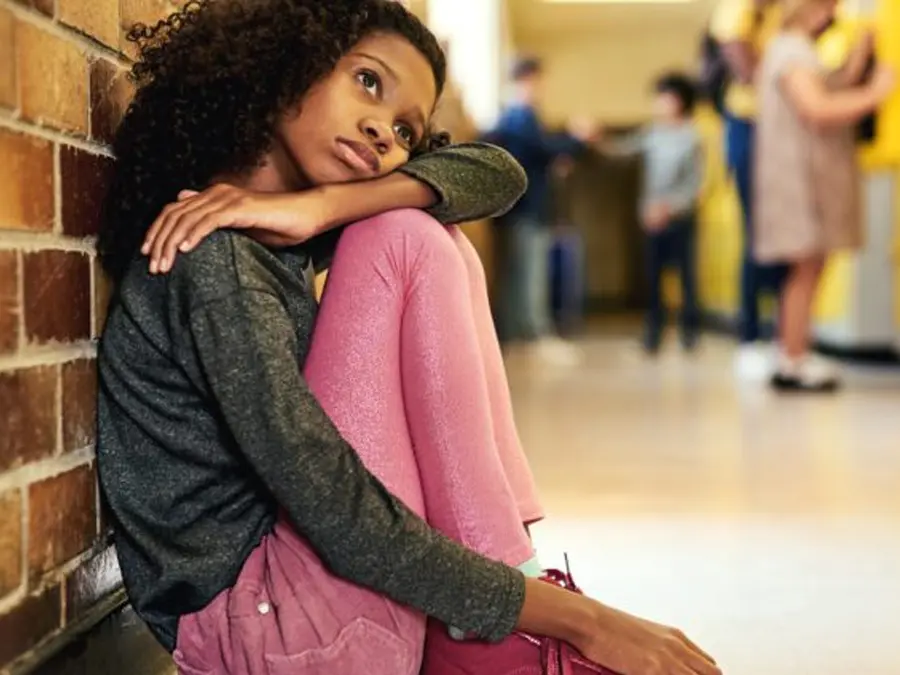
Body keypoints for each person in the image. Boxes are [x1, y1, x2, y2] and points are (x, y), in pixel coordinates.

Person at [97, 1, 721, 674]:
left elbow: (494, 173)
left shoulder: (283, 241)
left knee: (420, 225)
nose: (382, 131)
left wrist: (322, 206)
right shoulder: (215, 260)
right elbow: (342, 515)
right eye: (367, 81)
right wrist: (588, 622)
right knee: (401, 233)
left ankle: (502, 609)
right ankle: (506, 621)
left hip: (310, 606)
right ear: (287, 64)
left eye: (405, 129)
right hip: (273, 630)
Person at [754, 0, 895, 391]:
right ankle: (794, 357)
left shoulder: (794, 50)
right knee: (806, 267)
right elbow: (816, 108)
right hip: (800, 179)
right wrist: (878, 92)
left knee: (808, 268)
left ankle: (794, 351)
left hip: (804, 175)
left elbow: (829, 85)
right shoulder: (791, 50)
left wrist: (860, 57)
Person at [484, 56, 593, 363]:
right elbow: (543, 148)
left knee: (523, 275)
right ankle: (532, 334)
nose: (539, 87)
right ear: (524, 80)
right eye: (535, 81)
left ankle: (524, 333)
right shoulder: (519, 117)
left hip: (523, 209)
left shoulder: (516, 118)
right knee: (530, 276)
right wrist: (576, 139)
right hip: (526, 209)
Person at [595, 74, 704, 354]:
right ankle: (653, 334)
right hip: (652, 219)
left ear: (678, 101)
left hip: (680, 219)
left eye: (663, 97)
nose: (658, 104)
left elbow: (695, 185)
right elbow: (621, 152)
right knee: (653, 279)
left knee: (687, 278)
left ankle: (690, 334)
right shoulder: (652, 134)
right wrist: (596, 140)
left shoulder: (691, 137)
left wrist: (669, 208)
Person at [709, 0, 788, 379]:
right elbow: (740, 58)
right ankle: (751, 337)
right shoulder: (738, 7)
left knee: (779, 236)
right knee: (758, 233)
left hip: (777, 126)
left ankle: (782, 338)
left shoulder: (781, 10)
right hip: (750, 125)